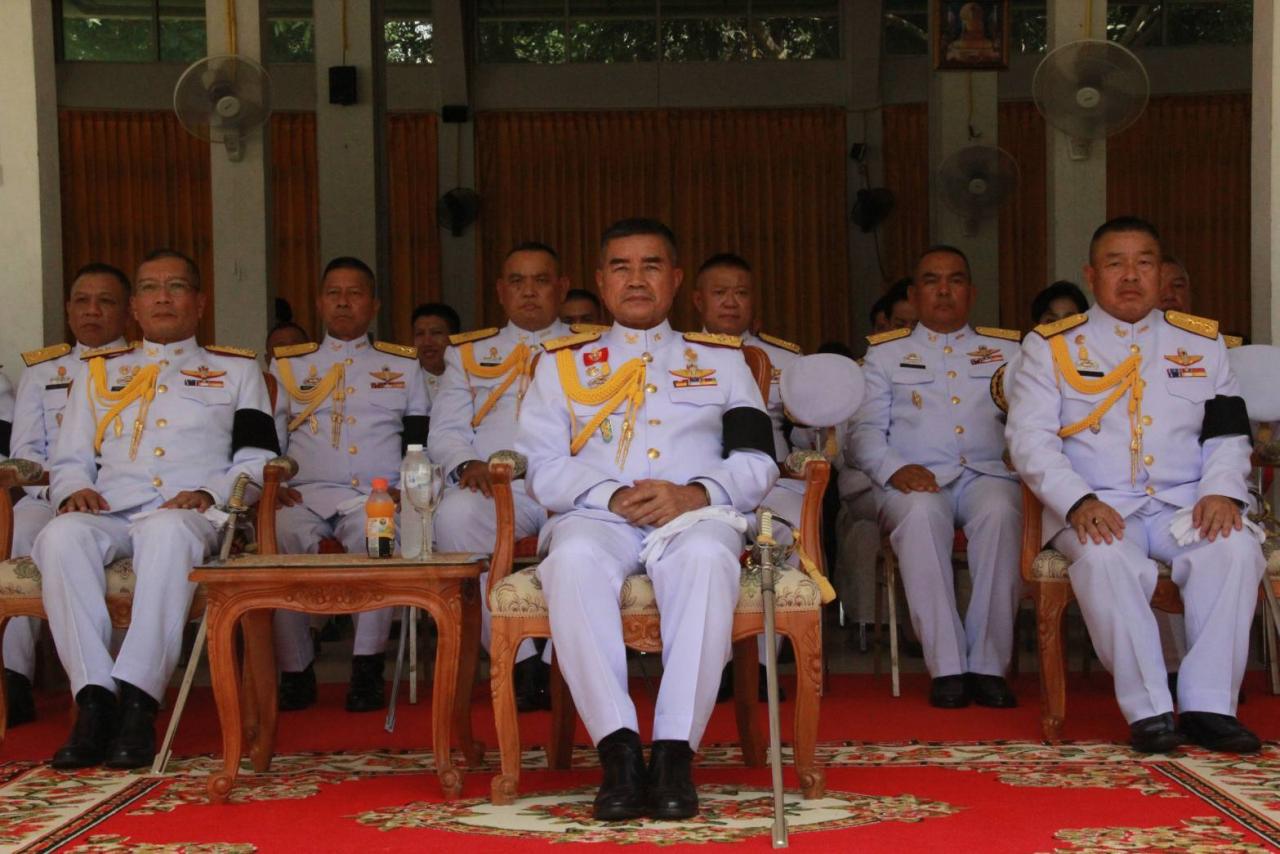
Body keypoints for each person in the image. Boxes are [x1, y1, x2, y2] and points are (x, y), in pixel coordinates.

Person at [517, 218, 777, 821]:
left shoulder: (724, 361)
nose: (636, 279)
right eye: (621, 267)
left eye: (651, 266)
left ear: (677, 279)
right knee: (571, 561)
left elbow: (757, 460)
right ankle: (618, 753)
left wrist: (696, 493)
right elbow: (542, 466)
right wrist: (609, 495)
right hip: (598, 516)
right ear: (601, 280)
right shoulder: (561, 365)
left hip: (694, 517)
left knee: (709, 559)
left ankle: (674, 755)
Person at [1007, 216, 1265, 754]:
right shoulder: (1051, 346)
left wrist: (1222, 490)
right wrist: (1077, 500)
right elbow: (1030, 441)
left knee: (1236, 549)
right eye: (1115, 263)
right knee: (1106, 560)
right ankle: (1150, 711)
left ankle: (1209, 706)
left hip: (1183, 504)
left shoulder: (1203, 343)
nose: (1130, 275)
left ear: (1161, 272)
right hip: (1096, 505)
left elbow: (1227, 434)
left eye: (1144, 263)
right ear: (1091, 275)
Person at [34, 248, 278, 769]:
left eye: (176, 286)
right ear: (135, 308)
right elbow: (70, 460)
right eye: (149, 288)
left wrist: (211, 493)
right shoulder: (99, 373)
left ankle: (139, 704)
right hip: (112, 511)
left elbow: (257, 458)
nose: (162, 297)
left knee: (168, 532)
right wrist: (73, 490)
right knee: (59, 536)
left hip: (190, 513)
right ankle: (94, 699)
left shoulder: (237, 370)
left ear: (200, 302)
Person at [850, 245, 1023, 709]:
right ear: (913, 294)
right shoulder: (884, 355)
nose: (944, 290)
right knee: (922, 516)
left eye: (955, 280)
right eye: (931, 280)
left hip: (988, 473)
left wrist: (1021, 454)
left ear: (972, 292)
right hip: (912, 480)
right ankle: (947, 667)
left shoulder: (1010, 351)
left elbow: (1032, 421)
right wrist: (893, 468)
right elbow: (863, 434)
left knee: (1003, 513)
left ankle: (988, 665)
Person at [270, 257, 429, 713]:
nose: (343, 302)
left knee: (379, 538)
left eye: (355, 293)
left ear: (374, 305)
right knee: (277, 536)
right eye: (334, 293)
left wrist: (406, 488)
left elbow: (418, 440)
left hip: (375, 494)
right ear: (320, 303)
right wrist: (273, 483)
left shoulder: (403, 366)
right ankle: (295, 670)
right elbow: (273, 442)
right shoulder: (289, 366)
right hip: (303, 492)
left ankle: (367, 667)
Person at [428, 242, 569, 711]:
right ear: (500, 291)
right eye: (517, 281)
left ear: (562, 288)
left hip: (570, 487)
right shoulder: (467, 354)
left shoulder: (589, 347)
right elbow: (445, 431)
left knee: (590, 542)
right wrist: (467, 464)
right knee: (454, 517)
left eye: (541, 281)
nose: (529, 292)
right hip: (498, 487)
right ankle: (520, 660)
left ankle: (558, 662)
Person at [4, 263, 131, 727]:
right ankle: (14, 678)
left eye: (106, 301)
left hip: (120, 500)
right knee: (21, 532)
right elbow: (25, 455)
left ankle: (118, 679)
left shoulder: (144, 367)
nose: (92, 311)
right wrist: (65, 493)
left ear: (128, 311)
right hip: (50, 497)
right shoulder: (43, 372)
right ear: (68, 308)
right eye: (82, 301)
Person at [411, 302, 461, 403]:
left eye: (436, 333)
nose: (427, 342)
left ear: (455, 338)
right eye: (420, 334)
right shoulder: (406, 381)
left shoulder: (469, 380)